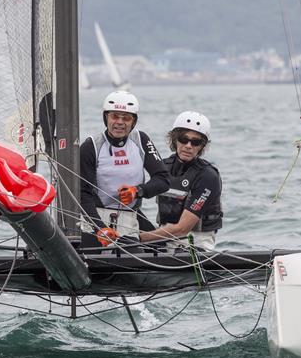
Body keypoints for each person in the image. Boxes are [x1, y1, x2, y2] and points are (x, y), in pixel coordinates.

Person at [80, 90, 169, 247]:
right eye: (114, 116)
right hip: (96, 219)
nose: (120, 122)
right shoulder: (91, 146)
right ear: (106, 117)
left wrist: (137, 191)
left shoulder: (141, 140)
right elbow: (83, 193)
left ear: (133, 121)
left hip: (128, 219)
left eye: (126, 118)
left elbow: (163, 179)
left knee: (159, 247)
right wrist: (100, 228)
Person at [138, 111, 222, 251]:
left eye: (195, 142)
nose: (188, 145)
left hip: (195, 244)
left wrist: (139, 238)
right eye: (183, 139)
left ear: (202, 146)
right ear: (175, 139)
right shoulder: (163, 166)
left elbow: (183, 229)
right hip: (162, 238)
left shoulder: (208, 176)